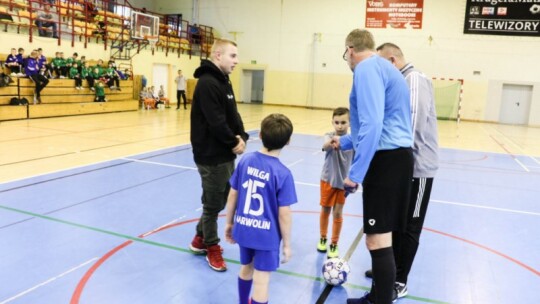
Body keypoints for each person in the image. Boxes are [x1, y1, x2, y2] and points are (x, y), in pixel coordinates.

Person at [337, 29, 413, 304]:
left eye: (345, 54)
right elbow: (376, 124)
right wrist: (343, 142)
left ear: (350, 50)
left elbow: (373, 124)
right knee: (384, 238)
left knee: (376, 239)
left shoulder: (366, 68)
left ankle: (379, 301)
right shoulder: (384, 67)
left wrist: (354, 175)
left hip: (386, 161)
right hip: (397, 158)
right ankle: (379, 297)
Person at [359, 43, 439, 300]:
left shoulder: (413, 79)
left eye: (382, 64)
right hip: (402, 169)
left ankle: (400, 281)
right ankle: (388, 272)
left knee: (409, 226)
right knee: (393, 223)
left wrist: (394, 161)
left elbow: (411, 126)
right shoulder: (400, 81)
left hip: (417, 168)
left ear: (392, 60)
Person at [189, 38, 249, 272]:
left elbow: (232, 114)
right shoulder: (207, 83)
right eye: (232, 56)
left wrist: (242, 135)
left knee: (222, 198)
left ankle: (198, 239)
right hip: (210, 155)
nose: (236, 61)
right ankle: (211, 247)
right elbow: (216, 122)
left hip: (225, 153)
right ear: (217, 56)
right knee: (212, 205)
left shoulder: (224, 81)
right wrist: (234, 142)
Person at [224, 113, 296, 304]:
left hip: (244, 228)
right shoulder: (283, 174)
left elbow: (233, 194)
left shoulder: (246, 161)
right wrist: (287, 244)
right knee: (262, 281)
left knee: (246, 267)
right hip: (266, 236)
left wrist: (229, 222)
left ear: (260, 136)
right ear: (288, 141)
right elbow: (284, 214)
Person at [317, 107, 353, 258]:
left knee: (338, 213)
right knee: (325, 210)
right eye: (336, 122)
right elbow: (325, 147)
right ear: (332, 122)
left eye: (343, 122)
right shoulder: (329, 136)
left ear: (349, 123)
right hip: (327, 180)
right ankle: (323, 238)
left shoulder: (353, 140)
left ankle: (334, 244)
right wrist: (332, 142)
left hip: (343, 184)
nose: (340, 126)